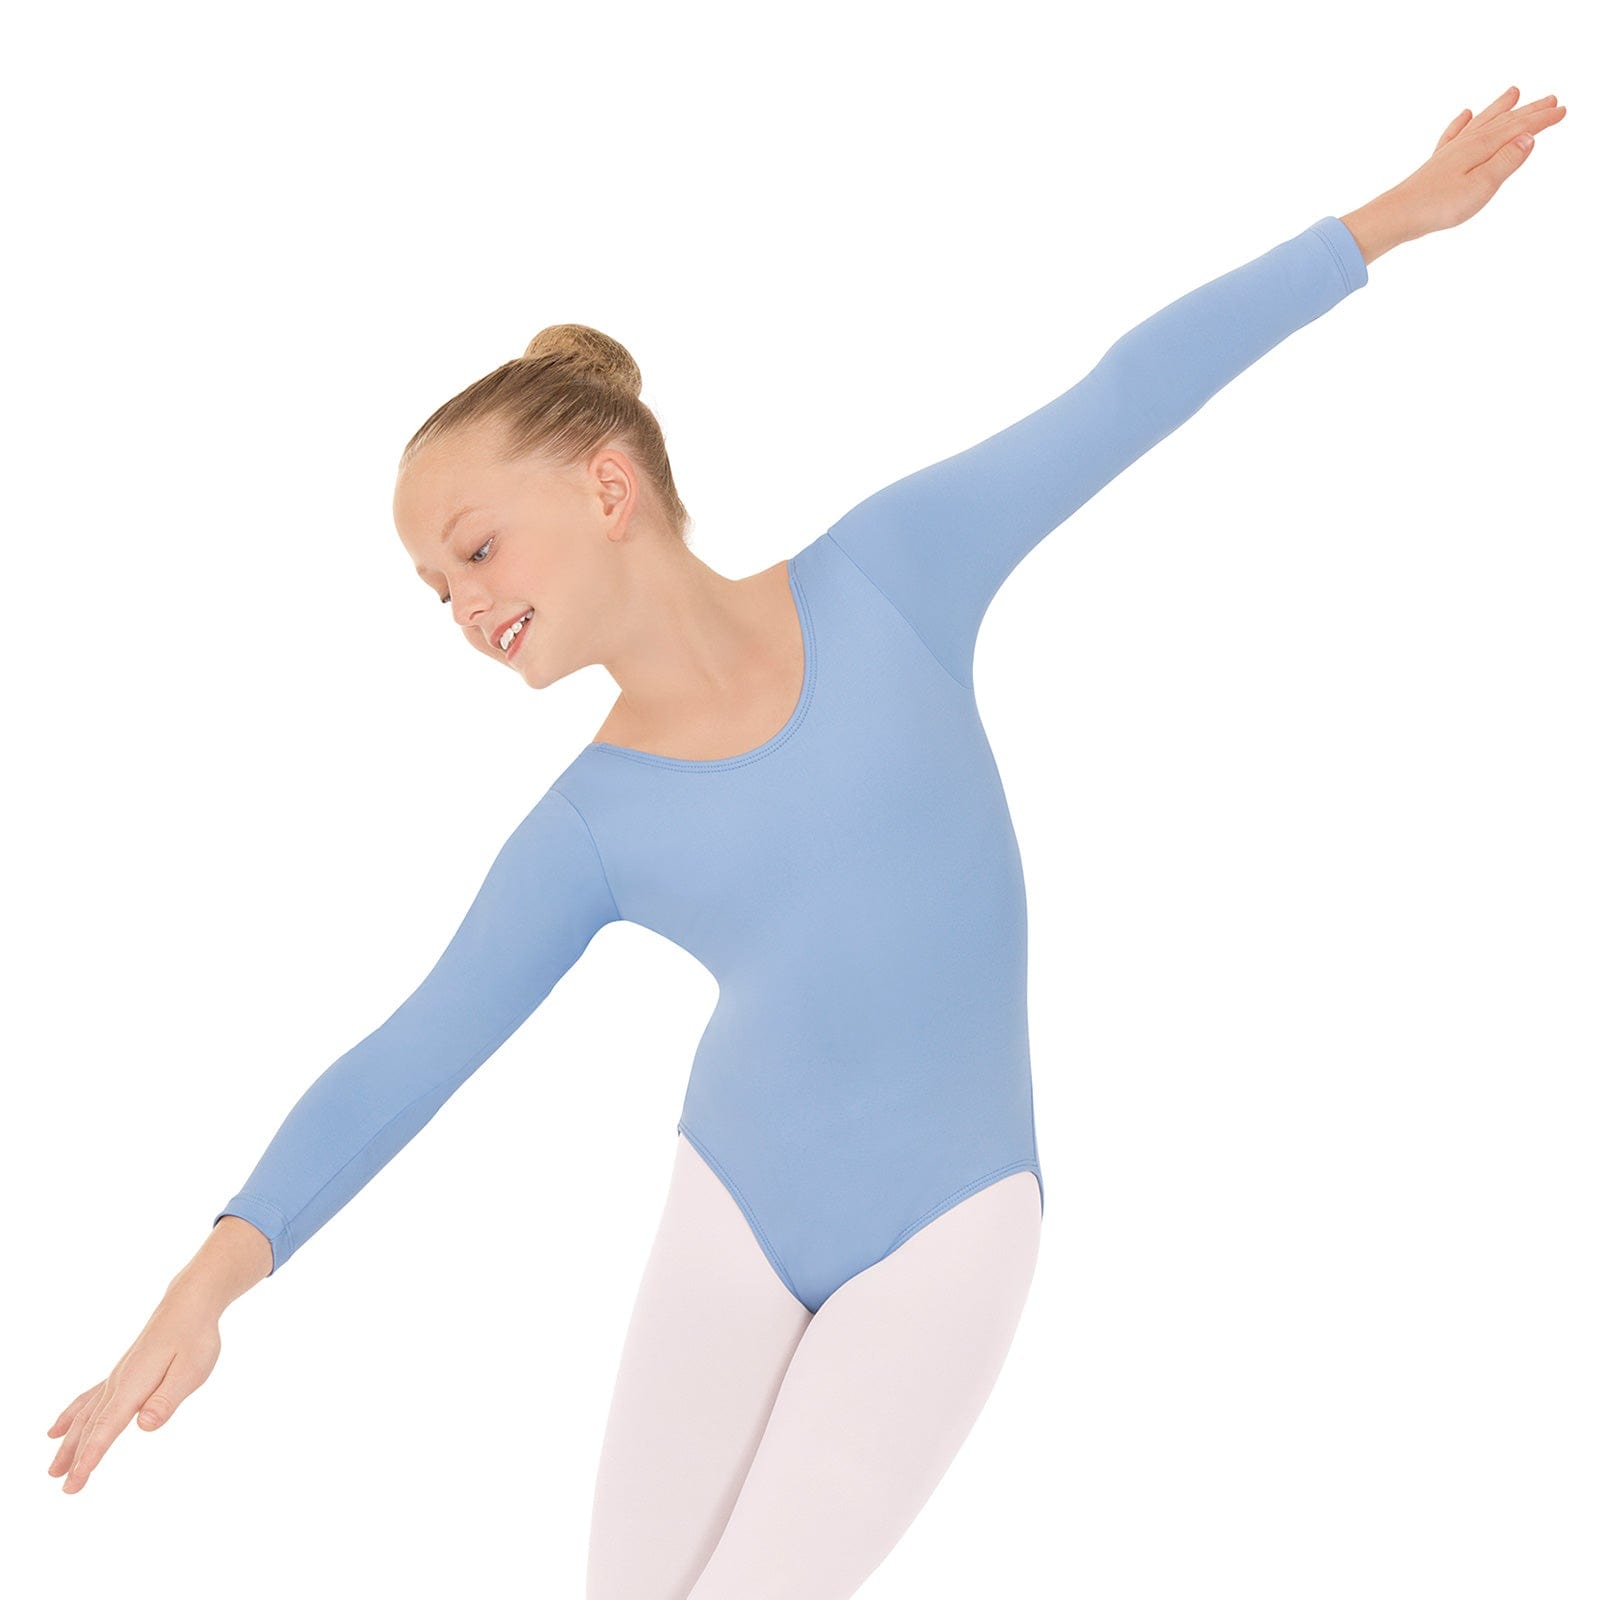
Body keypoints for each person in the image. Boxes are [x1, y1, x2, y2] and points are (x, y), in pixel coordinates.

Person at [47, 85, 1564, 1600]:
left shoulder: (889, 579)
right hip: (734, 1209)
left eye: (476, 549)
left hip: (953, 1220)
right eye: (436, 591)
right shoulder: (589, 824)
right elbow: (415, 1049)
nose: (463, 607)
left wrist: (1386, 223)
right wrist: (212, 1277)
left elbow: (1119, 397)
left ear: (609, 484)